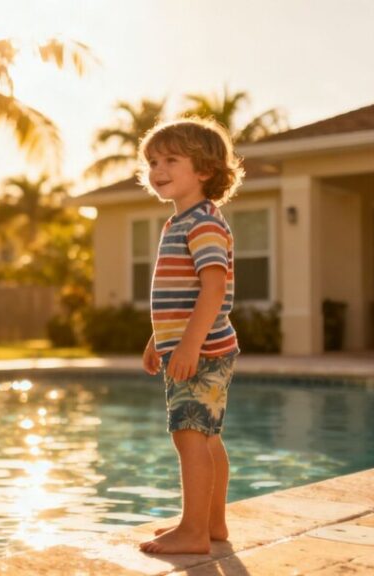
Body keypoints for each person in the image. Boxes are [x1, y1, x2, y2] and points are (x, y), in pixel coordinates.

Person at [136, 117, 243, 555]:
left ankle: (194, 530)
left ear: (204, 170)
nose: (158, 169)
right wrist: (158, 339)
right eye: (153, 162)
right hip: (197, 347)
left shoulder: (203, 223)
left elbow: (213, 289)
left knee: (189, 435)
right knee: (207, 435)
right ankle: (212, 523)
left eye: (170, 160)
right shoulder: (178, 223)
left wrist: (189, 345)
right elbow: (179, 295)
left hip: (203, 350)